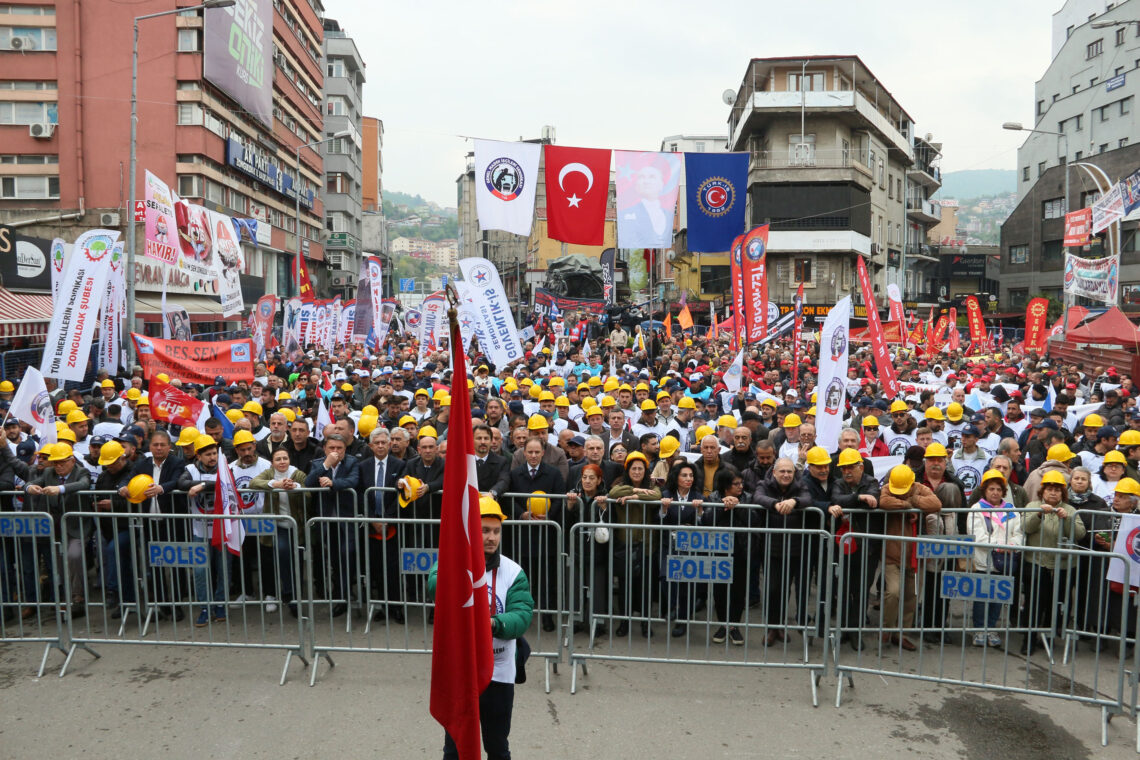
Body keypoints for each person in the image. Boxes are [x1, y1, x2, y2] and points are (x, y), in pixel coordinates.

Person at [430, 496, 533, 760]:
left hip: (498, 671)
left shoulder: (513, 571)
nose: (491, 538)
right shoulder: (452, 561)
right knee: (454, 746)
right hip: (461, 671)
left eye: (496, 531)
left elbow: (521, 615)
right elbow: (434, 587)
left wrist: (493, 623)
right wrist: (458, 563)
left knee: (497, 746)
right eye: (484, 530)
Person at [1021, 470, 1086, 654]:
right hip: (1036, 563)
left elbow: (1079, 534)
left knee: (1055, 604)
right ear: (1043, 491)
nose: (1053, 493)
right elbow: (1025, 527)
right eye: (1049, 489)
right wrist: (1039, 515)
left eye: (1057, 490)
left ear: (1062, 493)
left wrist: (1066, 519)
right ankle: (1029, 639)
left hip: (1062, 566)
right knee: (1034, 603)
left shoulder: (1070, 509)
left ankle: (1048, 637)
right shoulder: (1033, 505)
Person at [877, 464, 941, 651]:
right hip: (891, 557)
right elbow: (884, 502)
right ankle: (887, 628)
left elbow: (936, 504)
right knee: (894, 592)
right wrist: (907, 506)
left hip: (914, 558)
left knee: (911, 597)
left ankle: (901, 634)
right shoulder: (887, 488)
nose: (901, 493)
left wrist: (913, 500)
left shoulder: (920, 489)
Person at [967, 469, 1023, 648]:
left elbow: (1018, 533)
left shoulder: (1011, 510)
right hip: (984, 560)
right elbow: (977, 535)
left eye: (999, 489)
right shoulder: (976, 509)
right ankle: (979, 630)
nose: (995, 492)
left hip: (1005, 561)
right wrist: (999, 545)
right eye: (991, 489)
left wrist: (1012, 546)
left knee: (998, 598)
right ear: (984, 490)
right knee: (982, 598)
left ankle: (991, 629)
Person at [700, 467, 755, 646]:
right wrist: (723, 507)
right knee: (720, 591)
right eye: (736, 484)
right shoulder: (714, 497)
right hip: (719, 551)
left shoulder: (747, 497)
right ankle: (723, 624)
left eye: (741, 483)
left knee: (739, 591)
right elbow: (707, 520)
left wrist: (737, 506)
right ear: (725, 486)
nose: (740, 487)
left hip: (741, 550)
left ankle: (734, 626)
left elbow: (754, 520)